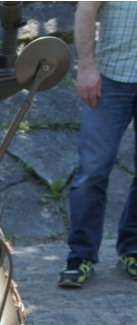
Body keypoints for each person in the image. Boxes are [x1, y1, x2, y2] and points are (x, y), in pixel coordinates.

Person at [59, 1, 137, 288]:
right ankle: (80, 256)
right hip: (110, 78)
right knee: (92, 171)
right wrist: (87, 68)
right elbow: (86, 10)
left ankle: (133, 249)